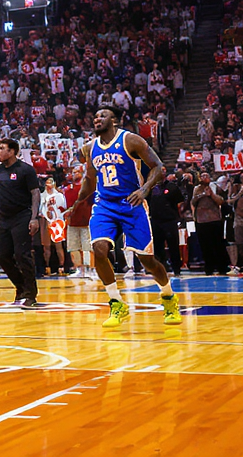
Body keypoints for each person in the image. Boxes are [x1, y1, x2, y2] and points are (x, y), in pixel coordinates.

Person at [72, 107, 182, 327]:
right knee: (99, 249)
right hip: (104, 205)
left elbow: (158, 167)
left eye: (103, 115)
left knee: (147, 260)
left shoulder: (130, 140)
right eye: (96, 116)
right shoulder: (90, 148)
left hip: (132, 204)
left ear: (114, 120)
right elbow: (90, 180)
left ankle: (169, 297)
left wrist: (144, 190)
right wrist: (77, 202)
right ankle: (116, 303)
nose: (97, 119)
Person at [0, 139, 42, 308]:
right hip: (3, 219)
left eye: (2, 148)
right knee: (2, 256)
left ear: (12, 152)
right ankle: (21, 286)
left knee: (22, 255)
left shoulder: (25, 170)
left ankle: (30, 294)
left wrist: (34, 218)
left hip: (22, 216)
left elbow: (35, 194)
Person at [146, 172, 186, 276]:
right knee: (157, 246)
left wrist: (178, 216)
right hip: (155, 220)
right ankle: (160, 269)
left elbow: (180, 202)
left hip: (169, 220)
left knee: (173, 246)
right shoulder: (151, 188)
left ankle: (176, 269)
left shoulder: (172, 187)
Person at [191, 172, 226, 275]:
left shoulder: (215, 187)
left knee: (218, 244)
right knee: (205, 246)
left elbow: (221, 201)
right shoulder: (196, 189)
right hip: (202, 220)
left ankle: (222, 267)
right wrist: (202, 195)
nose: (205, 177)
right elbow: (193, 201)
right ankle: (209, 267)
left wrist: (211, 195)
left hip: (215, 219)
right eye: (203, 176)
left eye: (207, 176)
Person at [62, 166, 94, 278]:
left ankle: (91, 269)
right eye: (73, 172)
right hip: (73, 222)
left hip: (87, 221)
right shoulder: (67, 190)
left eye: (77, 172)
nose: (75, 174)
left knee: (88, 247)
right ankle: (79, 269)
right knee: (73, 247)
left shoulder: (89, 188)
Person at [40, 178, 69, 276]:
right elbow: (40, 210)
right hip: (45, 221)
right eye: (47, 183)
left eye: (50, 183)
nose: (49, 185)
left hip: (57, 222)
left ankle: (61, 267)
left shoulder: (59, 196)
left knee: (58, 246)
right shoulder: (42, 196)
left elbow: (64, 208)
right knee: (46, 246)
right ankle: (47, 267)